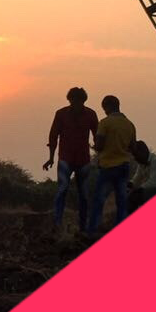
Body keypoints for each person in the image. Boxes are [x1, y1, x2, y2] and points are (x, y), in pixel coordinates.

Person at [43, 87, 99, 231]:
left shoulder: (90, 115)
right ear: (69, 100)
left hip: (83, 160)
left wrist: (100, 156)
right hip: (65, 158)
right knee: (62, 190)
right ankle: (58, 223)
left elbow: (97, 137)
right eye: (73, 101)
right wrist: (51, 158)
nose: (75, 104)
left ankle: (83, 227)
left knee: (83, 194)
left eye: (77, 101)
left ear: (83, 101)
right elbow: (53, 136)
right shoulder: (61, 114)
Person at [87, 95, 137, 237]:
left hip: (108, 166)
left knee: (99, 199)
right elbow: (133, 147)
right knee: (121, 200)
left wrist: (95, 146)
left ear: (107, 107)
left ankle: (93, 230)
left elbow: (99, 145)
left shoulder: (105, 123)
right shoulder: (129, 124)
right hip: (124, 165)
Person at [127, 143, 156, 211]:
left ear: (143, 152)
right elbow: (137, 177)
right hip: (155, 190)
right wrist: (130, 184)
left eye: (136, 155)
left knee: (135, 196)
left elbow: (153, 183)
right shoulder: (142, 163)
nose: (134, 158)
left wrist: (138, 190)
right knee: (132, 196)